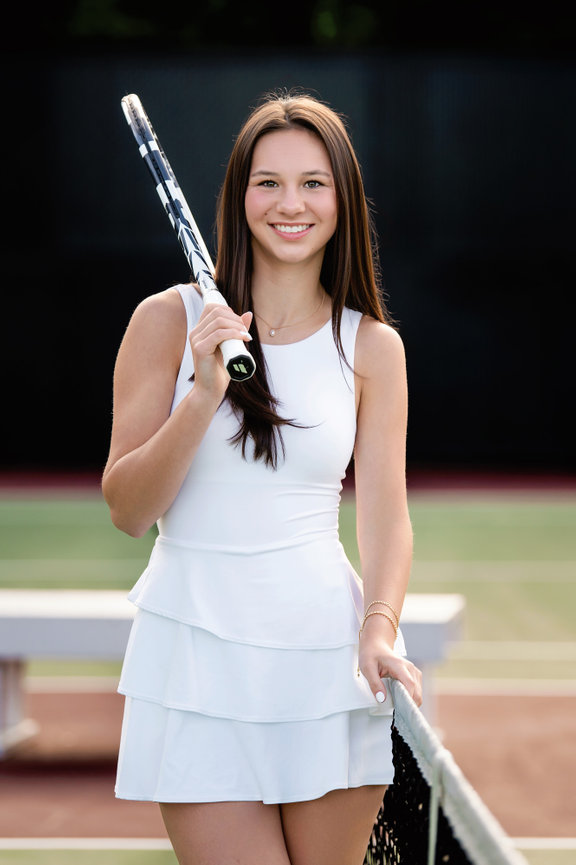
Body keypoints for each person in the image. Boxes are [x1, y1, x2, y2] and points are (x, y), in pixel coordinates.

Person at [102, 89, 422, 865]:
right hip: (195, 655)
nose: (291, 204)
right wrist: (203, 392)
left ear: (342, 201)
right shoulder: (165, 322)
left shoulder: (373, 348)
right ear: (238, 195)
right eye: (268, 181)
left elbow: (385, 514)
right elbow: (127, 507)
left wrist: (378, 623)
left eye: (313, 182)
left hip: (328, 656)